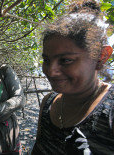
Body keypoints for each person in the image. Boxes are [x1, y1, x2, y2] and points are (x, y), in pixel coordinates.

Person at [31, 0, 114, 154]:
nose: (50, 71)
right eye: (47, 60)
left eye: (66, 60)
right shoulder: (48, 103)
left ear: (101, 57)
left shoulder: (110, 111)